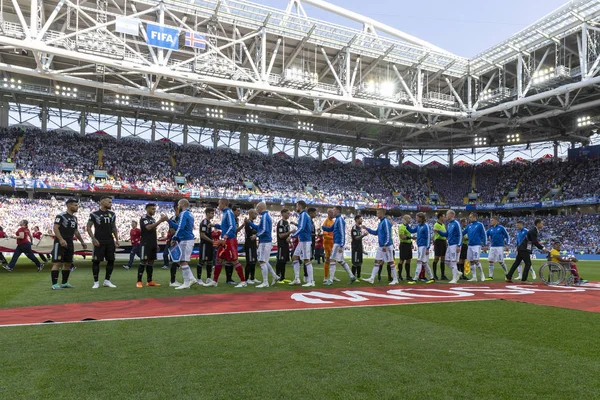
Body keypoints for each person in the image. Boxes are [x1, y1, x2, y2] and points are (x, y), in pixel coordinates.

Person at [206, 199, 247, 288]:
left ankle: (243, 281)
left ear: (223, 204)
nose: (218, 206)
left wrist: (225, 236)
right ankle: (214, 281)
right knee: (218, 259)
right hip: (226, 240)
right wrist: (214, 225)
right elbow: (225, 227)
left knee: (234, 260)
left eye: (219, 204)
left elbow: (232, 226)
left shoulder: (228, 213)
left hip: (229, 240)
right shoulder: (225, 213)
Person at [50, 199, 87, 289]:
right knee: (57, 263)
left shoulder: (75, 218)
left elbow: (76, 231)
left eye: (77, 205)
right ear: (69, 206)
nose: (77, 207)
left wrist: (82, 241)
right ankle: (54, 284)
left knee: (68, 263)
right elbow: (55, 228)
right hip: (60, 243)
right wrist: (61, 239)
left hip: (70, 243)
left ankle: (64, 283)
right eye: (75, 205)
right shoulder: (61, 216)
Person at [87, 196, 119, 288]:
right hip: (99, 241)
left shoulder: (112, 214)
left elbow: (114, 227)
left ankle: (107, 281)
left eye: (111, 202)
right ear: (102, 202)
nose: (110, 203)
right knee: (96, 261)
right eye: (109, 202)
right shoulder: (94, 214)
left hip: (110, 241)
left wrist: (116, 240)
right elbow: (88, 226)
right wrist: (93, 238)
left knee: (111, 260)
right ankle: (96, 282)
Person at [321, 206, 356, 285]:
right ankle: (352, 276)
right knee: (340, 261)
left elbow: (342, 233)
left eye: (333, 210)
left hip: (338, 243)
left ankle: (330, 280)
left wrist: (341, 245)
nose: (332, 211)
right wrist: (323, 227)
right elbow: (331, 229)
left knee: (332, 259)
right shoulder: (337, 220)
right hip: (337, 242)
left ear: (338, 211)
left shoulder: (340, 220)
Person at [506, 218, 548, 284]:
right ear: (538, 224)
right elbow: (534, 242)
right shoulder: (534, 231)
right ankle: (524, 280)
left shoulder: (533, 231)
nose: (542, 225)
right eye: (542, 223)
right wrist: (543, 248)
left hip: (522, 248)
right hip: (524, 249)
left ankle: (508, 277)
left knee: (516, 263)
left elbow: (531, 241)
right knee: (528, 264)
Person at [362, 209, 399, 285]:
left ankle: (395, 279)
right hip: (381, 246)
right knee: (377, 261)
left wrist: (385, 244)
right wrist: (367, 228)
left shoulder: (385, 222)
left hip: (387, 246)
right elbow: (376, 233)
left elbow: (388, 234)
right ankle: (372, 278)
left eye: (378, 213)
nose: (377, 214)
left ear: (382, 213)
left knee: (390, 262)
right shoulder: (381, 222)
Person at [248, 202, 279, 288]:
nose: (257, 210)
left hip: (265, 242)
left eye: (257, 208)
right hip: (266, 241)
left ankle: (265, 282)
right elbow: (259, 228)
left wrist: (256, 235)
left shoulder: (265, 217)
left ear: (261, 208)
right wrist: (250, 223)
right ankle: (275, 276)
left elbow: (264, 229)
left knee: (262, 261)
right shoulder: (265, 216)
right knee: (265, 261)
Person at [136, 203, 168, 288]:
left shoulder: (153, 219)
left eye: (155, 209)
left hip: (152, 243)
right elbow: (148, 228)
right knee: (143, 261)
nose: (154, 210)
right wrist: (160, 220)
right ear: (147, 209)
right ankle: (139, 281)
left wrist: (156, 244)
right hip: (145, 243)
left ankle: (149, 281)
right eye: (152, 209)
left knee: (151, 262)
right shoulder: (144, 218)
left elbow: (153, 232)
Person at [170, 199, 198, 289]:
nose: (178, 207)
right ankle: (189, 280)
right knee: (182, 261)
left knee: (182, 261)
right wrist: (168, 221)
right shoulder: (189, 214)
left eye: (178, 205)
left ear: (182, 204)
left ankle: (189, 280)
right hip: (188, 239)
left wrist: (174, 237)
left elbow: (180, 228)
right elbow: (180, 227)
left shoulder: (184, 213)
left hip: (186, 239)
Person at [288, 201, 315, 287]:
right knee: (295, 257)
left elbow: (302, 228)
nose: (296, 208)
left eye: (296, 206)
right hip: (303, 240)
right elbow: (304, 227)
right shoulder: (304, 215)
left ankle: (311, 281)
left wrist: (292, 236)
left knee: (307, 259)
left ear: (300, 206)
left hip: (305, 240)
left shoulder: (303, 215)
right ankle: (297, 279)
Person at [434, 210, 462, 284]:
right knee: (446, 261)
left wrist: (458, 245)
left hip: (455, 245)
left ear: (451, 215)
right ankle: (457, 273)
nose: (446, 216)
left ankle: (454, 278)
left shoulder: (456, 223)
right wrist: (438, 231)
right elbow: (446, 234)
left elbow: (460, 234)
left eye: (447, 214)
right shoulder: (449, 224)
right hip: (449, 245)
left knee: (453, 261)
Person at [407, 212, 435, 284]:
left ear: (421, 218)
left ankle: (415, 278)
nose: (416, 219)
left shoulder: (426, 226)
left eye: (417, 217)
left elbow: (429, 237)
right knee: (424, 263)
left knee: (419, 261)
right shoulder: (418, 226)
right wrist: (406, 225)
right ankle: (432, 278)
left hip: (424, 246)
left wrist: (428, 248)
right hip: (420, 246)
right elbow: (412, 230)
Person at [462, 212, 486, 282]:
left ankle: (482, 274)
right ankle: (474, 277)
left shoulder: (480, 225)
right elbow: (462, 233)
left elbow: (484, 234)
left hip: (476, 245)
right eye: (469, 217)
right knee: (471, 261)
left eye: (470, 217)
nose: (469, 218)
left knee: (476, 261)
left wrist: (485, 244)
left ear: (474, 217)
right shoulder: (469, 226)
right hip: (469, 245)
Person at [485, 216, 510, 280]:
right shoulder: (490, 229)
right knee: (490, 261)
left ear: (496, 221)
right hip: (492, 247)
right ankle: (490, 276)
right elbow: (485, 236)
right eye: (490, 220)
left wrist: (507, 244)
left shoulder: (501, 228)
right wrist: (484, 244)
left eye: (492, 220)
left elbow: (507, 236)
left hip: (500, 247)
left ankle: (507, 274)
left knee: (501, 261)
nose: (491, 222)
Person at [198, 207, 215, 284]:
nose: (213, 215)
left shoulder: (209, 223)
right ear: (207, 213)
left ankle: (208, 278)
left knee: (209, 262)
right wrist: (211, 241)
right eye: (212, 213)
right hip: (205, 244)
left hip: (209, 245)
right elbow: (202, 235)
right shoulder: (204, 222)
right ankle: (199, 279)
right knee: (202, 261)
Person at [275, 209, 292, 283]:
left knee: (284, 261)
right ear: (283, 213)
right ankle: (277, 277)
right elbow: (281, 235)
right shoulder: (281, 223)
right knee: (280, 261)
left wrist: (289, 237)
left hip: (286, 245)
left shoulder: (287, 223)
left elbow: (286, 234)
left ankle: (283, 277)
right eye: (288, 213)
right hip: (281, 245)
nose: (289, 214)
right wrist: (290, 232)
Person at [244, 209, 259, 285]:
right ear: (251, 213)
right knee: (249, 262)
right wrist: (260, 229)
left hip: (253, 244)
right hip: (249, 244)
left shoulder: (251, 222)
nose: (256, 215)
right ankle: (246, 279)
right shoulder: (247, 223)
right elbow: (252, 231)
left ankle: (252, 278)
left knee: (253, 261)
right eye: (255, 214)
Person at [351, 215, 368, 282]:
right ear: (357, 220)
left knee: (359, 262)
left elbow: (360, 240)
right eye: (360, 219)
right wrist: (363, 235)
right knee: (355, 263)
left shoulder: (359, 228)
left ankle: (359, 276)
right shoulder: (354, 228)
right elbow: (356, 238)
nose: (362, 220)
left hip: (359, 247)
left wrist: (362, 249)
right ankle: (353, 277)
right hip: (355, 248)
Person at [398, 215, 414, 281]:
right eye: (409, 218)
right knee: (402, 260)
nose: (410, 219)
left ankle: (408, 276)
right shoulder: (401, 227)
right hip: (403, 245)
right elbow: (402, 237)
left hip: (408, 245)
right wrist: (411, 238)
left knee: (408, 260)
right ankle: (399, 276)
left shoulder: (408, 227)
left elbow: (408, 235)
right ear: (405, 219)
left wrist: (411, 243)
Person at [432, 212, 448, 281]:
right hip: (438, 242)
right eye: (444, 216)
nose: (444, 218)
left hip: (443, 242)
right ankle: (435, 275)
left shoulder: (443, 225)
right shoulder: (436, 225)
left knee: (443, 259)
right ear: (440, 217)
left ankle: (442, 275)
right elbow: (437, 234)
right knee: (436, 258)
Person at [322, 209, 335, 283]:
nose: (334, 214)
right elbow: (325, 235)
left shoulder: (333, 222)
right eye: (332, 213)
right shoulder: (326, 222)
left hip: (332, 244)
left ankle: (332, 276)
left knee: (333, 260)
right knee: (327, 260)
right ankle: (325, 277)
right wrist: (333, 238)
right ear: (329, 213)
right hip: (327, 244)